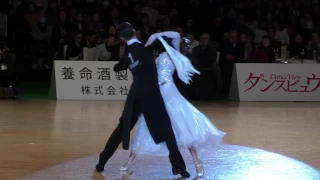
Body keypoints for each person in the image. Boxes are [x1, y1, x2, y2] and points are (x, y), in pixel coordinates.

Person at [119, 31, 226, 177]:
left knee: (181, 124)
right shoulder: (155, 56)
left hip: (168, 90)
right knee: (146, 123)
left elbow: (176, 34)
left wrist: (156, 35)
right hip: (157, 92)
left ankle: (196, 160)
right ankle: (131, 159)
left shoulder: (173, 53)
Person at [95, 23, 190, 178]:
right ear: (135, 32)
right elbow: (173, 37)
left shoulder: (127, 54)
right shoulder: (146, 47)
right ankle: (179, 168)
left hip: (135, 95)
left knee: (122, 129)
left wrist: (125, 64)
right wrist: (156, 36)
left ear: (121, 38)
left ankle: (101, 162)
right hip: (151, 95)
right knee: (167, 130)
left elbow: (118, 68)